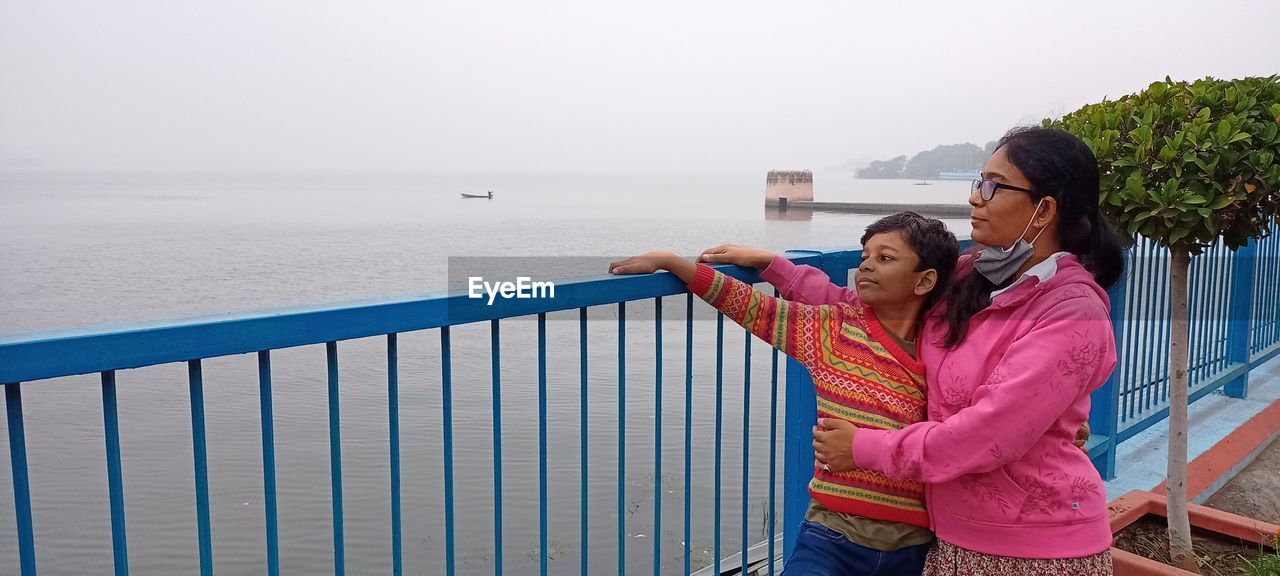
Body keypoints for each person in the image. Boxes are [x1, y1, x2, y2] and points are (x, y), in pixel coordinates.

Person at [773, 126, 1122, 575]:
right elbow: (880, 309)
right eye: (980, 181)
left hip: (1036, 550)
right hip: (951, 540)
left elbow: (986, 435)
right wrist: (778, 270)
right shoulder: (971, 274)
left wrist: (863, 447)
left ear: (1044, 210)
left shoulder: (1072, 313)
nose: (977, 197)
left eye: (995, 185)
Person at [610, 212, 959, 575]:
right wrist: (675, 264)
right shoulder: (833, 331)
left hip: (916, 545)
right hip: (831, 534)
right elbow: (754, 308)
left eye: (884, 258)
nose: (866, 266)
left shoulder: (949, 350)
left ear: (925, 280)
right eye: (864, 257)